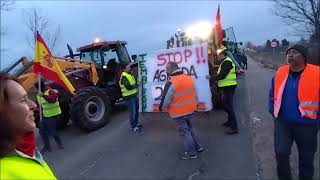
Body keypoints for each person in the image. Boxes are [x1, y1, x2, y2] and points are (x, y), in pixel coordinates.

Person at [269, 44, 320, 180]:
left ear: (304, 57)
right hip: (283, 123)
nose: (290, 55)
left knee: (306, 159)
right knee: (281, 153)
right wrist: (272, 111)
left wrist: (317, 121)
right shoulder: (280, 72)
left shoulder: (316, 73)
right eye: (288, 52)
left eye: (295, 52)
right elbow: (272, 93)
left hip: (307, 124)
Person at [0, 72, 57, 179]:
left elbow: (53, 98)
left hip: (52, 116)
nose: (33, 105)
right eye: (23, 100)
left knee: (52, 132)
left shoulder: (26, 152)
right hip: (46, 116)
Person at [159, 62, 203, 160]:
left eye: (167, 69)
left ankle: (191, 153)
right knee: (190, 128)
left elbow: (165, 100)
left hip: (178, 113)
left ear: (170, 70)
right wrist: (196, 105)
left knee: (185, 132)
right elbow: (195, 94)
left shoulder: (171, 82)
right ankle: (198, 147)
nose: (166, 71)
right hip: (190, 110)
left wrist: (161, 107)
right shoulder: (189, 78)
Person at [215, 45, 239, 135]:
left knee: (229, 106)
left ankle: (234, 128)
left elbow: (222, 75)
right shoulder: (224, 62)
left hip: (229, 87)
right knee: (226, 105)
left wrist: (211, 78)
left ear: (222, 54)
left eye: (218, 54)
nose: (217, 56)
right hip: (226, 87)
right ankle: (229, 122)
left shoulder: (227, 62)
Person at [36, 85, 64, 153]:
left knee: (52, 131)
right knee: (42, 131)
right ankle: (47, 147)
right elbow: (40, 105)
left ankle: (59, 143)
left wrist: (43, 96)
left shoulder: (51, 91)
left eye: (36, 87)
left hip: (53, 114)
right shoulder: (38, 95)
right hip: (45, 115)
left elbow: (53, 100)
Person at [119, 63, 141, 132]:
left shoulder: (129, 75)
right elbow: (128, 87)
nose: (129, 68)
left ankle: (136, 124)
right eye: (128, 67)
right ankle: (134, 127)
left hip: (134, 96)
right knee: (133, 112)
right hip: (129, 97)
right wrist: (137, 84)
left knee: (136, 111)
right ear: (124, 69)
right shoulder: (124, 76)